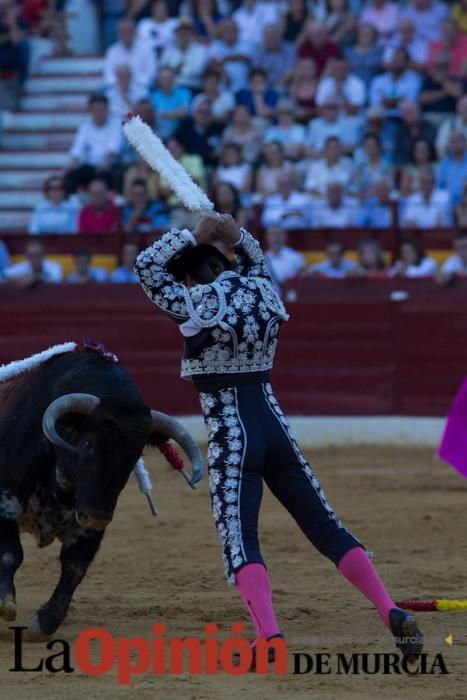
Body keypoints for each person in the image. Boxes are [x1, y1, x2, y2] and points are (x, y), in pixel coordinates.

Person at [134, 212, 424, 663]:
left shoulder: (197, 304)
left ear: (190, 276)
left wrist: (195, 233)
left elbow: (147, 267)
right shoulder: (265, 290)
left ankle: (269, 637)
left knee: (241, 538)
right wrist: (236, 235)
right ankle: (389, 611)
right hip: (275, 427)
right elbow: (255, 262)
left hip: (232, 435)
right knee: (325, 525)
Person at [65, 94, 123, 194]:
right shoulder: (85, 126)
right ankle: (71, 203)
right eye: (95, 109)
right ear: (90, 110)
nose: (98, 113)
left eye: (101, 109)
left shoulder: (116, 124)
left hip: (109, 166)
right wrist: (68, 168)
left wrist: (103, 166)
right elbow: (77, 150)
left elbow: (112, 150)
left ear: (107, 109)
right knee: (70, 175)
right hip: (90, 167)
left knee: (107, 176)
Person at [103, 17, 157, 91]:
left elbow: (151, 74)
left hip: (142, 88)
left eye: (128, 31)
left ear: (135, 32)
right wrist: (121, 85)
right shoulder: (112, 51)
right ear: (117, 34)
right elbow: (109, 76)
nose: (126, 34)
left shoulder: (147, 50)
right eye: (122, 32)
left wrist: (132, 86)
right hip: (118, 89)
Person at [160, 18, 209, 91]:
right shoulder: (168, 51)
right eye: (180, 33)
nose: (182, 35)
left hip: (193, 88)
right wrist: (176, 71)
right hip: (172, 89)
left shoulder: (200, 50)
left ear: (191, 34)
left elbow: (197, 70)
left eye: (185, 33)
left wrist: (174, 71)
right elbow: (162, 69)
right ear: (175, 34)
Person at [149, 66, 192, 139]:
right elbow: (152, 116)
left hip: (181, 134)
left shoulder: (184, 93)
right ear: (159, 80)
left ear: (174, 78)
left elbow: (184, 113)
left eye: (169, 78)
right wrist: (175, 113)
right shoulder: (154, 96)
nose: (166, 81)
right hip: (160, 135)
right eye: (164, 79)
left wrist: (162, 114)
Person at [436, 132, 467, 205]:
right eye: (452, 141)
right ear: (449, 145)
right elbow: (438, 187)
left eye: (458, 141)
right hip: (448, 206)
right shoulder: (444, 164)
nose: (455, 144)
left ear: (465, 143)